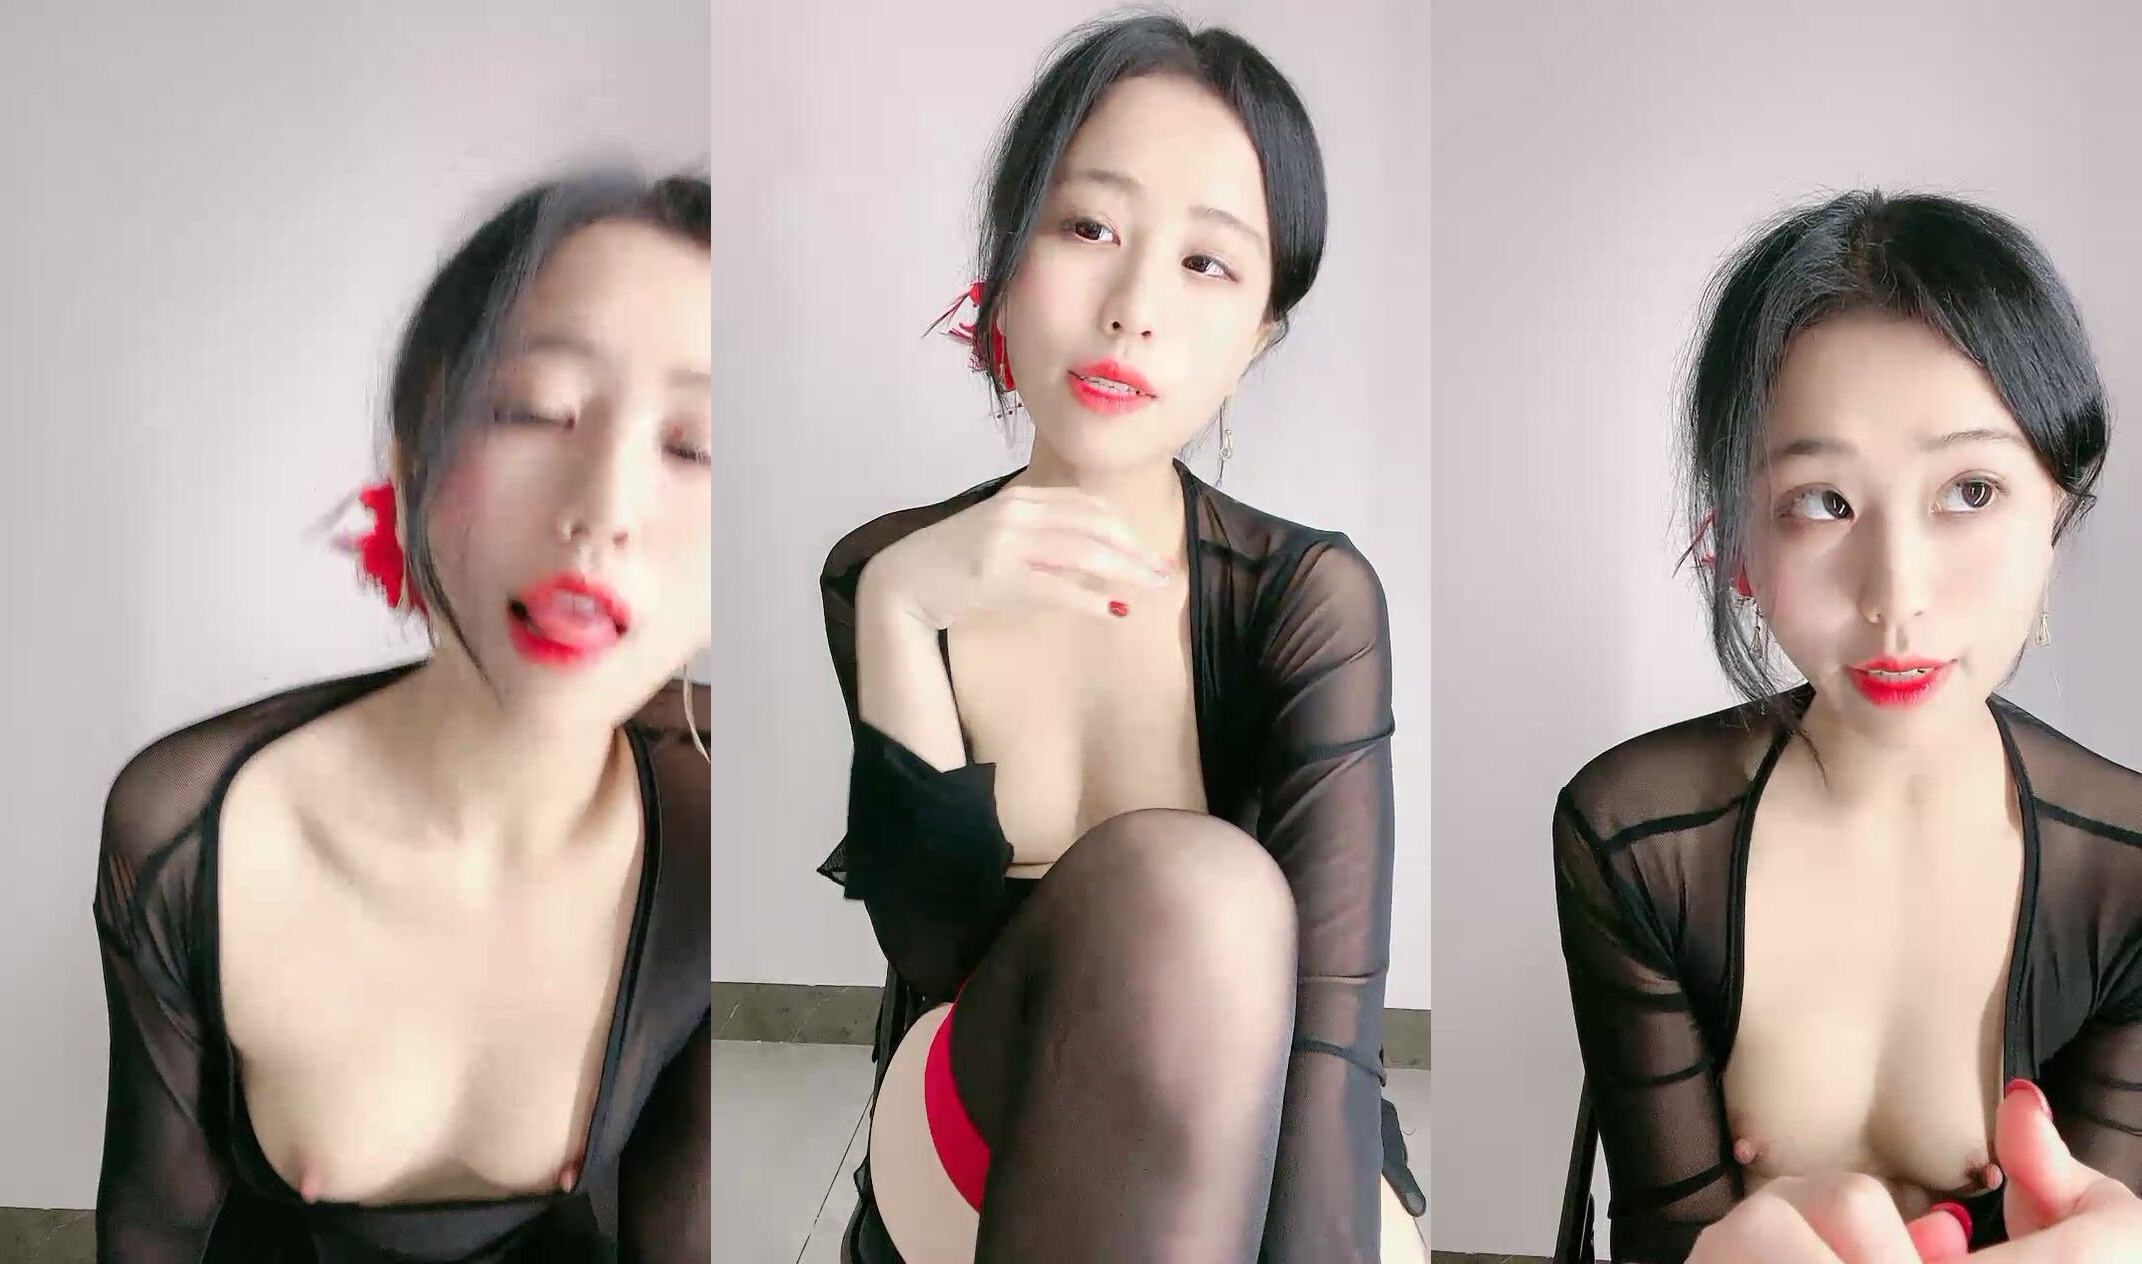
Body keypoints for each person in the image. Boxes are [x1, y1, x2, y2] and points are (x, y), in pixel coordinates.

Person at [813, 15, 1421, 1264]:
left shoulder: (1308, 598)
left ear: (1256, 340)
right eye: (1089, 228)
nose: (1134, 308)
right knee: (1191, 887)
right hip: (986, 1088)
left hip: (1264, 1111)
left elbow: (1331, 1022)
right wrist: (901, 611)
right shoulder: (890, 571)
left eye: (1206, 264)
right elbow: (932, 944)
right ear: (1008, 260)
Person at [92, 168, 714, 1262]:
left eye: (696, 446)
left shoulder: (715, 820)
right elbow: (152, 1224)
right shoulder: (192, 832)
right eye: (536, 409)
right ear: (412, 463)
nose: (604, 510)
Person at [1553, 189, 2142, 1263]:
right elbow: (1661, 1233)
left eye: (1971, 491)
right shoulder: (1636, 835)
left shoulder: (2130, 868)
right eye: (1823, 501)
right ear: (1736, 543)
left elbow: (2100, 1218)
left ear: (2056, 518)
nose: (1895, 597)